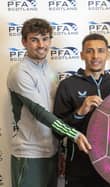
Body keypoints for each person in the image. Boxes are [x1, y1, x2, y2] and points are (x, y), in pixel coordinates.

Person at [7, 18, 91, 187]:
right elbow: (39, 112)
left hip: (51, 153)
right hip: (28, 154)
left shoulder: (51, 71)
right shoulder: (19, 72)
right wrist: (73, 134)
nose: (41, 45)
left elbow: (55, 112)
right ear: (24, 42)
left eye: (45, 39)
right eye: (34, 39)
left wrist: (59, 149)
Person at [53, 33, 110, 187]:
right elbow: (57, 130)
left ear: (107, 54)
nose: (95, 56)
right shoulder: (68, 85)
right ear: (81, 55)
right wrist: (80, 111)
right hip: (80, 165)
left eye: (100, 51)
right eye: (89, 51)